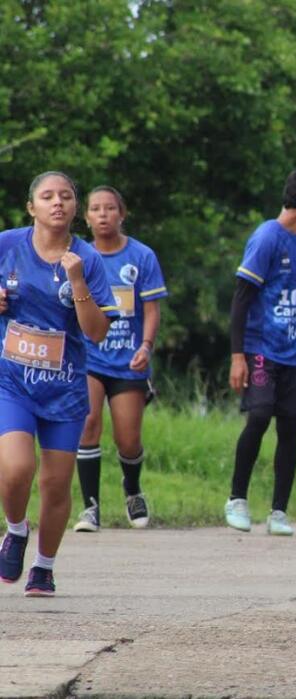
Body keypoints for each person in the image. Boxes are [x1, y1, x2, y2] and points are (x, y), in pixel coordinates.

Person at [0, 171, 117, 596]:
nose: (57, 203)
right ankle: (15, 530)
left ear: (74, 208)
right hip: (11, 380)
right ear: (31, 207)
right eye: (47, 197)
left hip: (65, 388)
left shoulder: (87, 258)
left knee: (54, 483)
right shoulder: (7, 245)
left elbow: (98, 332)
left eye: (66, 196)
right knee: (16, 469)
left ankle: (44, 567)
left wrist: (79, 283)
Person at [225, 168, 296, 537]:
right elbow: (241, 297)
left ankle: (279, 510)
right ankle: (237, 498)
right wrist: (238, 355)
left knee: (290, 426)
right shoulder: (267, 237)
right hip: (262, 349)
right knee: (259, 415)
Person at [73, 186, 168, 532]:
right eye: (95, 209)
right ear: (86, 217)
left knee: (128, 439)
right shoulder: (78, 256)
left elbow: (152, 309)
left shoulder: (141, 256)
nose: (102, 214)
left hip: (128, 359)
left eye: (109, 208)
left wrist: (146, 345)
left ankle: (132, 489)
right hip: (88, 356)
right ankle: (90, 507)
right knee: (88, 423)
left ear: (122, 214)